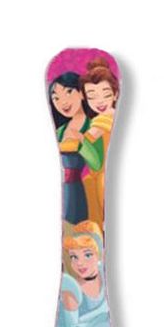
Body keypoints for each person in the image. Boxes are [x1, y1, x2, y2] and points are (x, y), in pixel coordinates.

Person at [78, 57, 120, 228]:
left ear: (115, 94)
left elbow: (87, 138)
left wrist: (76, 136)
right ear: (85, 97)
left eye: (106, 94)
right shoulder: (107, 117)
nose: (100, 102)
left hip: (101, 177)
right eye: (92, 97)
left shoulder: (104, 118)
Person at [48, 72, 94, 224]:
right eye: (56, 98)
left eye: (68, 92)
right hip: (61, 190)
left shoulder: (94, 127)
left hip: (85, 189)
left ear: (81, 93)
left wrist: (82, 141)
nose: (63, 102)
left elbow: (97, 163)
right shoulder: (59, 131)